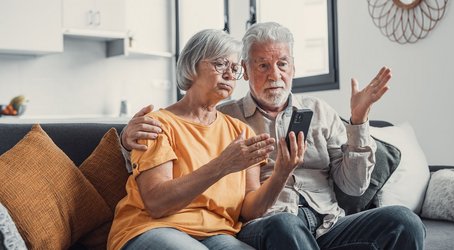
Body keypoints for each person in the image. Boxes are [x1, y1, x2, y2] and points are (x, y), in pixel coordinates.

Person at [121, 22, 426, 250]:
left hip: (328, 221)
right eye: (262, 66)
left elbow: (355, 187)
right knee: (285, 224)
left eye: (282, 64)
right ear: (249, 69)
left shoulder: (314, 113)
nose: (274, 74)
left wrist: (358, 122)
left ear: (293, 67)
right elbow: (161, 156)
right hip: (272, 223)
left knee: (404, 221)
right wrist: (125, 139)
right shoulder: (229, 117)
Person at [107, 28, 308, 250]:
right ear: (192, 66)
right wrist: (223, 164)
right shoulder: (156, 124)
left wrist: (281, 172)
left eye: (234, 69)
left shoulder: (240, 131)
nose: (230, 75)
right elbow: (157, 203)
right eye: (220, 64)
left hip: (218, 233)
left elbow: (249, 211)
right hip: (153, 227)